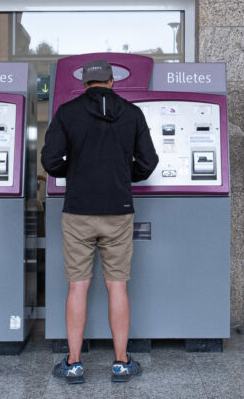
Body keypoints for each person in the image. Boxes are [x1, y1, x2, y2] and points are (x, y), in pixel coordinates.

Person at [41, 59, 159, 384]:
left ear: (84, 84)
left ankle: (74, 363)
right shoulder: (132, 113)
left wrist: (76, 172)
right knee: (117, 284)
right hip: (119, 210)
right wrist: (123, 176)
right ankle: (121, 363)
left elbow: (50, 160)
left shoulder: (67, 112)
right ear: (111, 82)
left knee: (78, 285)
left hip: (78, 210)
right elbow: (148, 161)